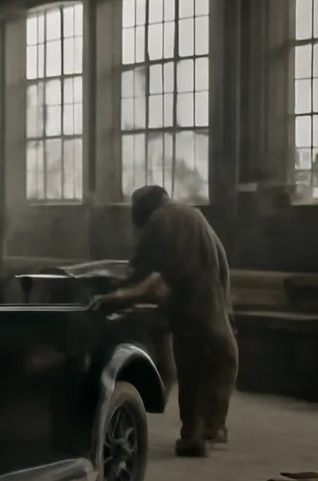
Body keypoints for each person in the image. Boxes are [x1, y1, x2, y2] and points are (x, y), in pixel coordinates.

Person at [92, 185, 238, 457]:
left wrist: (111, 293)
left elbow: (139, 272)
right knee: (224, 359)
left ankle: (194, 434)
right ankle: (213, 425)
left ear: (144, 208)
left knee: (191, 368)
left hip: (188, 305)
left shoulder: (159, 221)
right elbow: (218, 260)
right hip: (215, 300)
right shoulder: (193, 215)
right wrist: (224, 302)